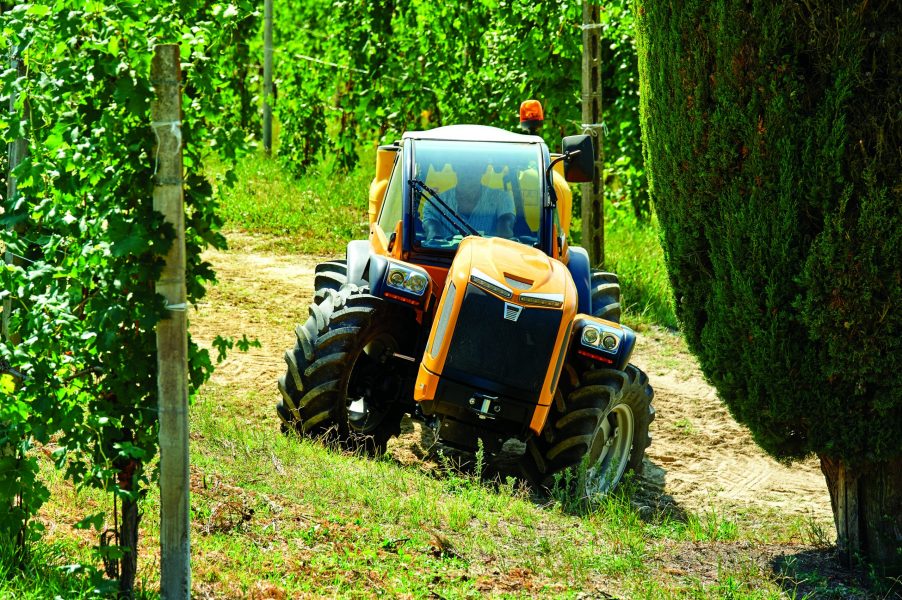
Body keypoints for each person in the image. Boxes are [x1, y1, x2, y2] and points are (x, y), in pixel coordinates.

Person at [423, 161, 515, 240]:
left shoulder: (501, 198)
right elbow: (432, 233)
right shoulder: (434, 203)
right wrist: (434, 237)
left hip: (488, 259)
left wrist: (505, 233)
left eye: (474, 165)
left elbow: (505, 227)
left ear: (484, 168)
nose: (469, 171)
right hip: (445, 258)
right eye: (463, 165)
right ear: (454, 167)